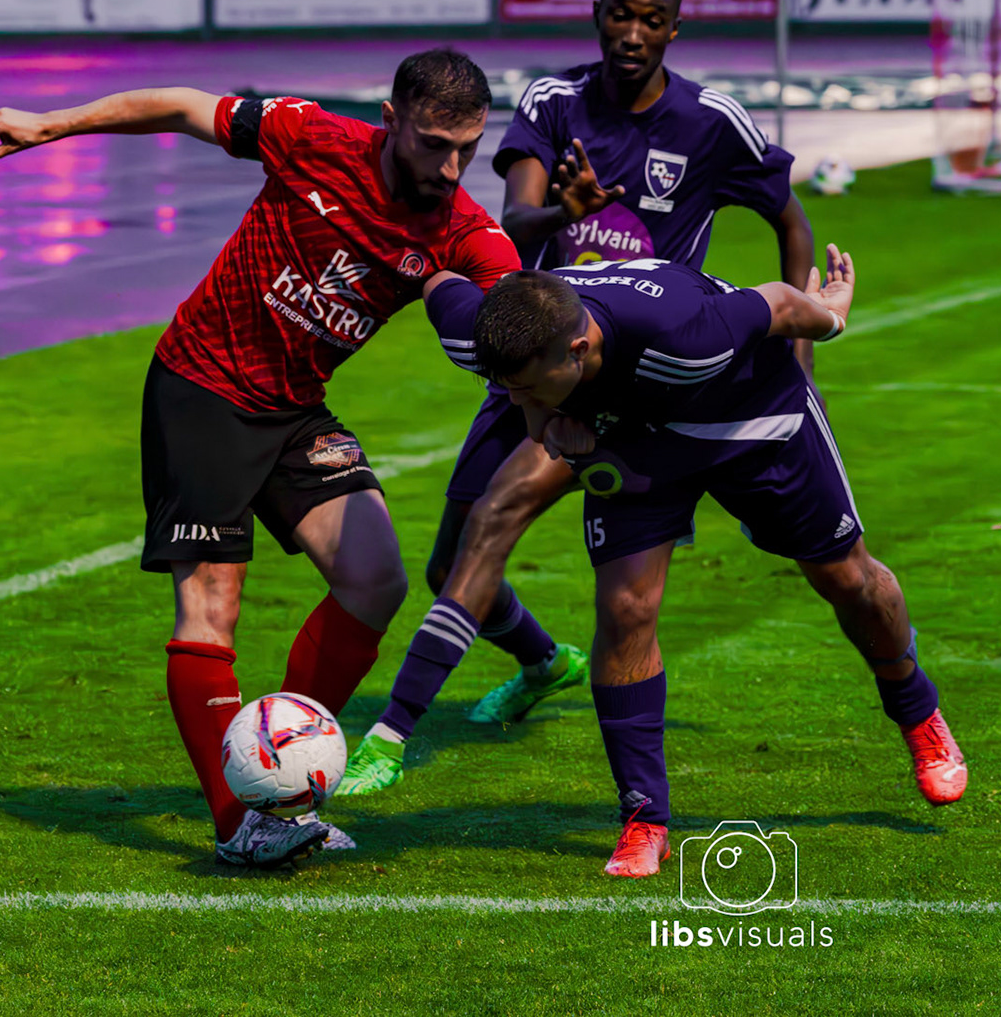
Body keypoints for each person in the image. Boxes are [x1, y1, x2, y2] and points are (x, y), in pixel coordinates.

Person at [0, 50, 519, 868]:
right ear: (393, 116)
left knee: (375, 580)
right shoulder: (311, 136)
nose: (450, 165)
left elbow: (517, 313)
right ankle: (239, 823)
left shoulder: (462, 227)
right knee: (212, 603)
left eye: (467, 148)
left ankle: (280, 782)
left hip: (295, 409)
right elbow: (185, 106)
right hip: (202, 387)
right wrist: (51, 124)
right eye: (435, 142)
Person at [336, 0, 817, 795]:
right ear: (596, 14)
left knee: (524, 532)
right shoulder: (554, 104)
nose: (632, 34)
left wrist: (802, 363)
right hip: (539, 361)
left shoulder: (712, 121)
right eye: (618, 15)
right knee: (451, 570)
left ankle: (394, 735)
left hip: (639, 380)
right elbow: (515, 223)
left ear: (675, 29)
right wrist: (569, 212)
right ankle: (539, 661)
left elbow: (789, 218)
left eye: (650, 20)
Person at [400, 250, 966, 878]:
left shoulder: (682, 335)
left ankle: (916, 709)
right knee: (625, 607)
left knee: (846, 578)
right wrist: (546, 414)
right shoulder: (488, 334)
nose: (514, 398)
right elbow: (439, 278)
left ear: (580, 350)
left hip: (751, 417)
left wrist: (831, 317)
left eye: (531, 386)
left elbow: (777, 302)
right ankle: (645, 819)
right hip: (636, 436)